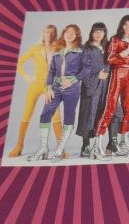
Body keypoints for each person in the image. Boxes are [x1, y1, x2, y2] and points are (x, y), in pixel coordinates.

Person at [27, 24, 87, 162]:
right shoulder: (58, 50)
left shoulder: (81, 51)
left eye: (73, 32)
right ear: (63, 34)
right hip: (55, 87)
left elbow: (87, 69)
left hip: (72, 88)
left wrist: (74, 79)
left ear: (77, 35)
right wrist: (48, 87)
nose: (69, 34)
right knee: (45, 113)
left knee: (68, 116)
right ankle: (43, 148)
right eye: (67, 32)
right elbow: (51, 71)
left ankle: (60, 150)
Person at [8, 25, 64, 157]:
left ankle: (60, 147)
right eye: (46, 32)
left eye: (51, 33)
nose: (48, 35)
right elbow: (19, 62)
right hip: (36, 84)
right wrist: (26, 76)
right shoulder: (35, 48)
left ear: (54, 34)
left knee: (56, 115)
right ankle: (19, 145)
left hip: (50, 86)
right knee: (27, 113)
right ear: (43, 34)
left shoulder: (58, 48)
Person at [94, 15, 129, 157]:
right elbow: (110, 59)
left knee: (128, 108)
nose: (128, 27)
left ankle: (124, 141)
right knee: (110, 107)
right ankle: (97, 145)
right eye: (125, 24)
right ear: (121, 25)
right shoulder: (115, 39)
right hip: (117, 74)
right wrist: (127, 51)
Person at [75, 23, 111, 158]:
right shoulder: (84, 49)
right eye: (96, 31)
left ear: (104, 33)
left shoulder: (107, 49)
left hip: (105, 87)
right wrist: (96, 76)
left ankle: (98, 145)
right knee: (88, 114)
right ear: (91, 33)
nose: (98, 34)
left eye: (101, 31)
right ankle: (85, 146)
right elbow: (80, 69)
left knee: (101, 113)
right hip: (90, 86)